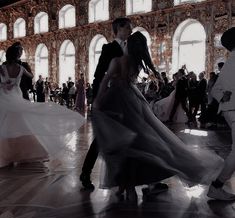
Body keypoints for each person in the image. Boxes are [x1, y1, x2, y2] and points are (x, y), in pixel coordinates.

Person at [92, 31, 223, 201]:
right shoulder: (137, 64)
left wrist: (98, 101)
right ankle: (129, 187)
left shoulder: (118, 61)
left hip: (117, 101)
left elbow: (105, 81)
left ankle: (126, 186)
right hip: (134, 101)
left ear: (128, 45)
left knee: (120, 144)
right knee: (141, 142)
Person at [0, 45, 85, 168]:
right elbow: (31, 76)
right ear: (17, 55)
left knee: (6, 125)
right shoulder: (21, 68)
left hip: (5, 98)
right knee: (21, 124)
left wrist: (3, 84)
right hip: (17, 97)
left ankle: (7, 154)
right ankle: (22, 153)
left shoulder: (2, 68)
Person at [79, 17, 132, 189]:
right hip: (110, 97)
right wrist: (98, 98)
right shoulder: (109, 48)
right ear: (119, 29)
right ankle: (86, 173)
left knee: (129, 135)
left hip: (126, 97)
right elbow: (98, 74)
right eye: (128, 28)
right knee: (101, 138)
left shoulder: (129, 48)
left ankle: (126, 176)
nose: (130, 30)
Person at [208, 27, 235, 200]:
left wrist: (223, 97)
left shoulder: (231, 60)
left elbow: (216, 89)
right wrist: (224, 97)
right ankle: (216, 186)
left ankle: (217, 186)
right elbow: (217, 89)